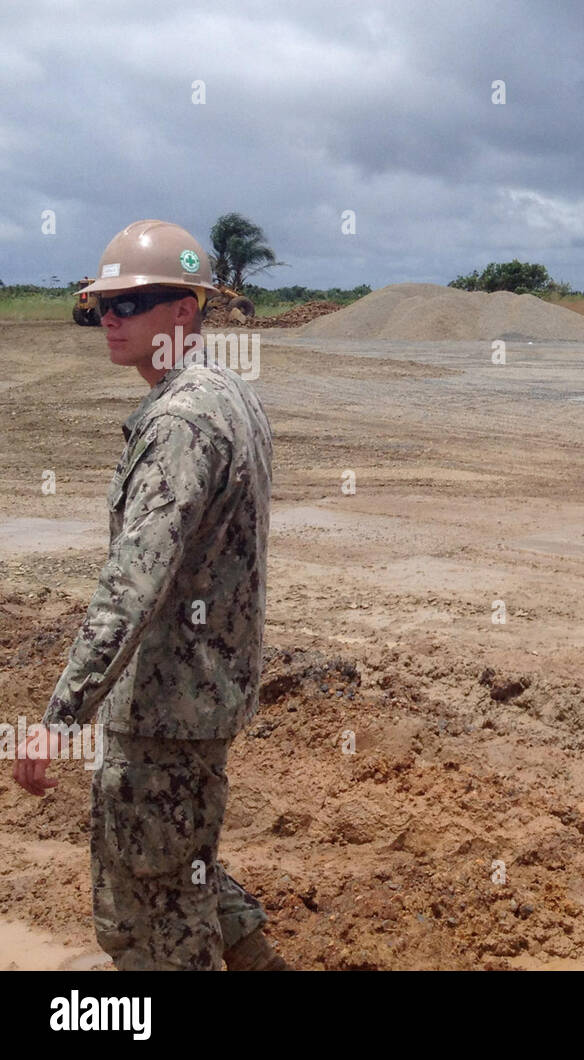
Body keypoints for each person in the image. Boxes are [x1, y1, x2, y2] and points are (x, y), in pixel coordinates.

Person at [11, 220, 284, 971]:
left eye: (129, 305)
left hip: (164, 708)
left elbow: (133, 585)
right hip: (204, 695)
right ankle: (257, 957)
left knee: (143, 917)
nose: (109, 321)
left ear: (184, 310)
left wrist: (60, 718)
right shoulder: (227, 393)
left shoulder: (179, 421)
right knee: (179, 861)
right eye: (100, 307)